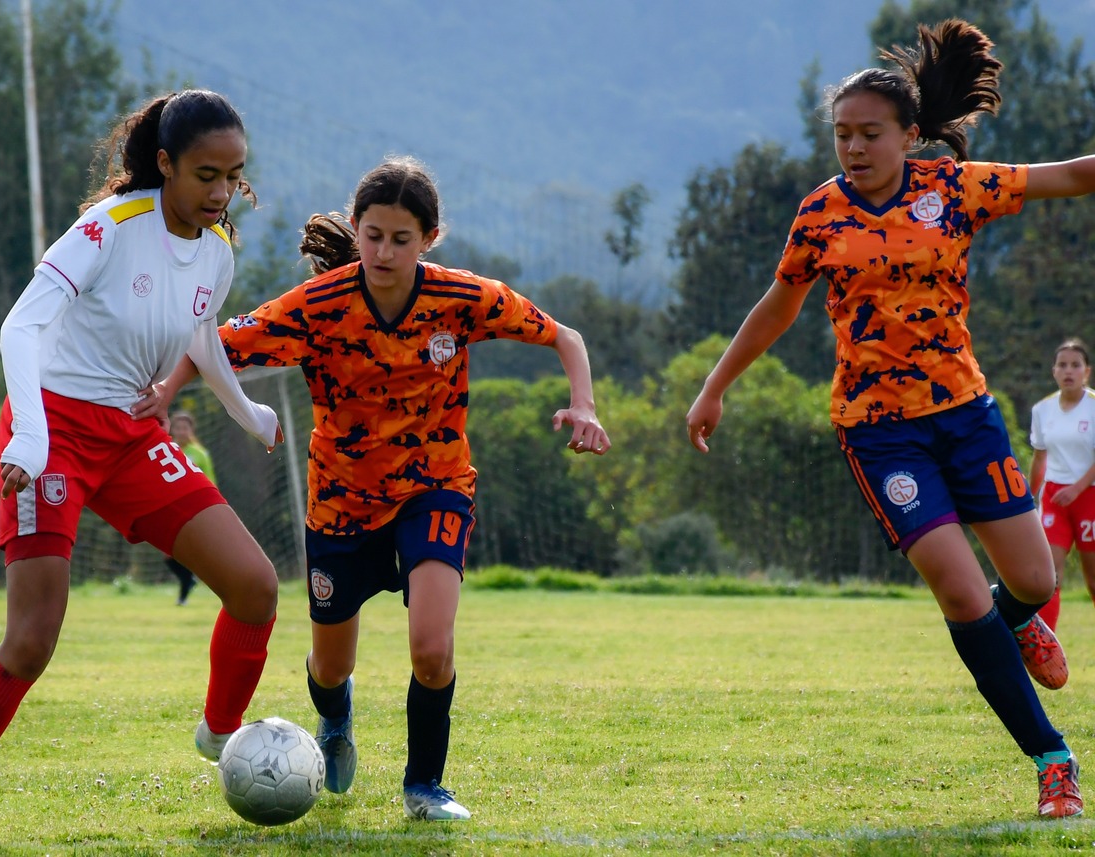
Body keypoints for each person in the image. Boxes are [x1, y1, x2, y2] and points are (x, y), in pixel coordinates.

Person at [685, 20, 1095, 819]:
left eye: (870, 133)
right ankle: (1053, 759)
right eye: (842, 135)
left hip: (967, 417)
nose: (854, 148)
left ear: (911, 135)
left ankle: (1021, 625)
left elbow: (1075, 174)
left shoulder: (957, 187)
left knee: (1035, 582)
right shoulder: (819, 215)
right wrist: (715, 385)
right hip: (880, 431)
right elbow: (779, 306)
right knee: (958, 588)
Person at [148, 156, 611, 822]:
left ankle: (425, 786)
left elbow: (564, 336)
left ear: (429, 238)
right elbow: (210, 349)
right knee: (330, 669)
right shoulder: (317, 306)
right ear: (357, 229)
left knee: (431, 648)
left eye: (400, 238)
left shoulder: (461, 298)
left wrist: (585, 405)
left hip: (436, 489)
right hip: (341, 505)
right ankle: (335, 722)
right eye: (372, 235)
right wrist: (162, 395)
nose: (383, 250)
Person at [0, 89, 283, 845]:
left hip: (129, 434)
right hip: (49, 428)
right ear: (166, 164)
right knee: (33, 638)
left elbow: (201, 332)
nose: (219, 192)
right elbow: (22, 326)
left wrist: (248, 412)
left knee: (254, 585)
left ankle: (220, 733)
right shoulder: (107, 229)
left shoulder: (217, 250)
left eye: (233, 175)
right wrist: (31, 437)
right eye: (205, 174)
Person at [1029, 339, 1095, 630]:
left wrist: (1078, 488)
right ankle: (1046, 648)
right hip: (1055, 497)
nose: (1069, 371)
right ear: (1054, 371)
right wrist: (1028, 500)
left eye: (1075, 365)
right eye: (1063, 365)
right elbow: (1039, 459)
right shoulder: (1042, 410)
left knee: (1092, 580)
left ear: (1087, 372)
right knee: (1049, 576)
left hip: (1088, 498)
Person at [164, 412, 218, 605]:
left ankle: (187, 589)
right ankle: (189, 580)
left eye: (185, 428)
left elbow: (210, 480)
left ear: (191, 431)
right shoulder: (167, 449)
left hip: (194, 508)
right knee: (167, 554)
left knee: (188, 550)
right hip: (170, 506)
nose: (181, 431)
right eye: (177, 427)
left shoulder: (200, 454)